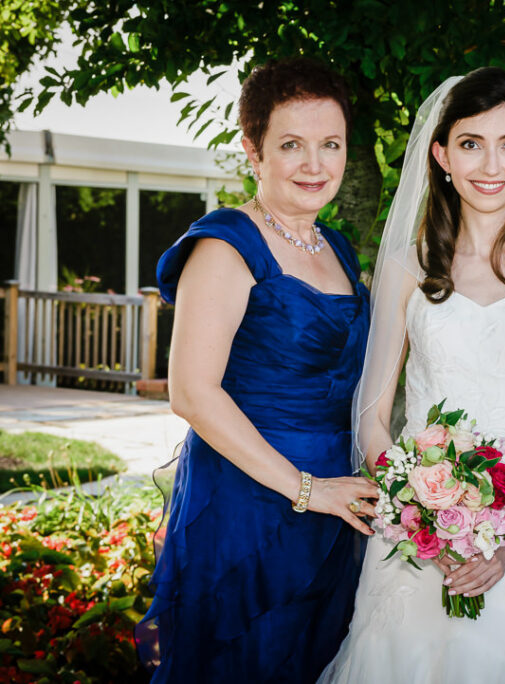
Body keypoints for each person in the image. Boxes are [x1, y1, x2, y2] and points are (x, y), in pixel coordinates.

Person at [317, 67, 505, 683]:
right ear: (441, 155)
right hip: (415, 539)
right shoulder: (408, 264)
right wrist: (418, 518)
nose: (490, 164)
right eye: (471, 143)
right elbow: (372, 409)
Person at [136, 58, 379, 683]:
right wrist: (306, 488)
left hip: (334, 502)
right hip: (249, 499)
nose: (315, 165)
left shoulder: (336, 247)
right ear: (253, 149)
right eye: (291, 145)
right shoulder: (225, 245)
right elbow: (191, 392)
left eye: (331, 145)